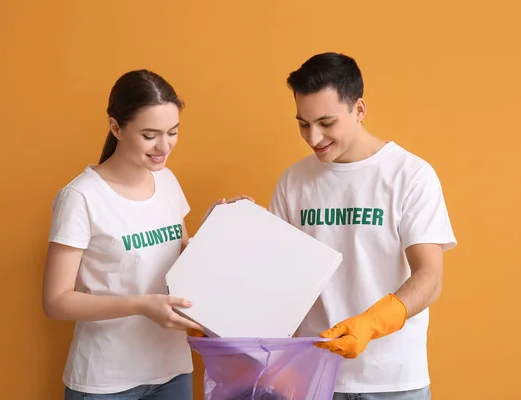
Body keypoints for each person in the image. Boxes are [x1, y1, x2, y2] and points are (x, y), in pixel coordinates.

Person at [42, 69, 249, 399]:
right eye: (150, 135)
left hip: (173, 370)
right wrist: (141, 305)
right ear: (116, 128)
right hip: (106, 380)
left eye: (173, 132)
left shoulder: (166, 181)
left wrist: (218, 228)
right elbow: (56, 301)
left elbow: (181, 261)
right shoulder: (81, 197)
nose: (163, 146)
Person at [268, 52, 457, 400]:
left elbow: (429, 277)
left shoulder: (410, 176)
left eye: (326, 122)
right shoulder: (293, 181)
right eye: (303, 123)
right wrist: (234, 232)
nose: (313, 137)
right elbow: (275, 276)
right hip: (312, 374)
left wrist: (371, 323)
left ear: (359, 109)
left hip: (393, 380)